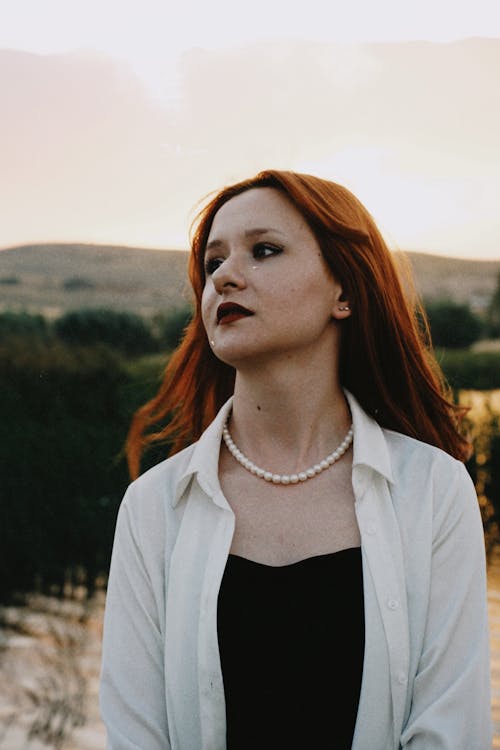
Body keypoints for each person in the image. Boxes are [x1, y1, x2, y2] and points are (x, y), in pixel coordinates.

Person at [100, 170, 492, 749]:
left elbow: (450, 731)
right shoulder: (156, 506)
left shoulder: (433, 490)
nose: (225, 277)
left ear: (345, 292)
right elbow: (136, 736)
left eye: (264, 250)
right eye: (212, 264)